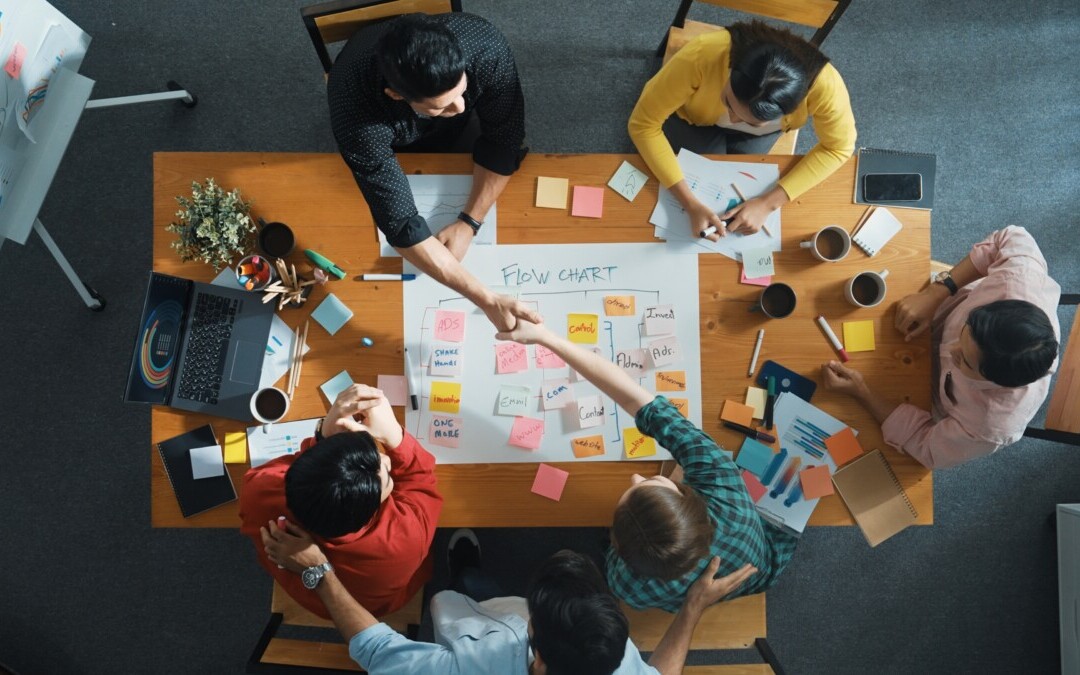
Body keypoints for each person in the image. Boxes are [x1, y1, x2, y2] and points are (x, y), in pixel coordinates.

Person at [494, 320, 796, 612]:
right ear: (687, 498)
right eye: (653, 483)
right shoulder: (722, 481)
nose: (637, 476)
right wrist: (549, 338)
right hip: (762, 565)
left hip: (735, 569)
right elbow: (634, 398)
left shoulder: (626, 586)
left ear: (617, 547)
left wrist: (546, 338)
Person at [260, 520, 757, 675]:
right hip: (504, 624)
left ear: (536, 642)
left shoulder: (467, 667)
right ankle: (474, 579)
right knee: (487, 595)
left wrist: (319, 571)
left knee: (466, 594)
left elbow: (376, 652)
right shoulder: (614, 663)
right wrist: (692, 607)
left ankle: (467, 578)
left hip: (471, 626)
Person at [328, 12, 538, 331]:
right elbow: (401, 225)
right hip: (394, 136)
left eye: (461, 90)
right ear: (396, 95)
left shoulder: (486, 46)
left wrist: (469, 221)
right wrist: (486, 298)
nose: (461, 109)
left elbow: (505, 138)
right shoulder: (356, 114)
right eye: (442, 106)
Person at [821, 226, 1060, 469]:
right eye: (967, 328)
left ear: (996, 384)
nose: (952, 348)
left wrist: (862, 391)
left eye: (964, 360)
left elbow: (926, 446)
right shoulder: (1020, 280)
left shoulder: (991, 422)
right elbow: (1010, 236)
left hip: (931, 394)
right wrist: (938, 292)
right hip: (938, 307)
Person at [628, 21, 856, 240]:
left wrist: (769, 203)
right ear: (731, 70)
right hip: (693, 120)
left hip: (757, 138)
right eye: (728, 101)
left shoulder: (826, 88)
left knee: (737, 183)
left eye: (752, 121)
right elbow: (643, 124)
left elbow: (839, 148)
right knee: (703, 177)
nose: (733, 119)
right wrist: (690, 203)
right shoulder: (703, 53)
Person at [239, 384, 442, 619]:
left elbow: (290, 469)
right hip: (374, 606)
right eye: (387, 477)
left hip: (309, 594)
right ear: (371, 509)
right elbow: (421, 479)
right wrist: (395, 436)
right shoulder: (406, 539)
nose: (386, 461)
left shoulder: (259, 492)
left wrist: (322, 437)